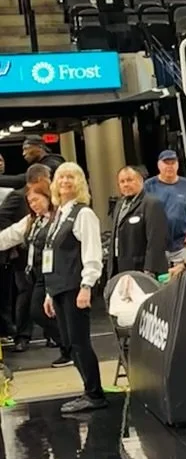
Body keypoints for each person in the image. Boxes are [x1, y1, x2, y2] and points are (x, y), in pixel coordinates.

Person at [39, 163, 106, 415]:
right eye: (60, 177)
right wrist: (49, 292)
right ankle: (89, 389)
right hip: (59, 288)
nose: (65, 181)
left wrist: (87, 285)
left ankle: (95, 394)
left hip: (75, 287)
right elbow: (52, 257)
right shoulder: (59, 214)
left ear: (79, 182)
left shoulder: (83, 214)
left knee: (80, 342)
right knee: (69, 342)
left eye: (71, 177)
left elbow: (92, 253)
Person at [0, 178, 58, 354]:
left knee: (47, 311)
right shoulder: (32, 220)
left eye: (36, 200)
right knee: (37, 311)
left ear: (48, 197)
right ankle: (66, 344)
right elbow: (9, 236)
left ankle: (67, 344)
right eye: (30, 202)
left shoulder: (60, 218)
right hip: (36, 273)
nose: (33, 205)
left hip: (56, 273)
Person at [143, 151, 186, 270]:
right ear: (159, 165)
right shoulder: (148, 186)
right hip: (157, 248)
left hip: (182, 246)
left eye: (173, 163)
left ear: (177, 165)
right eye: (166, 163)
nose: (169, 166)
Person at [109, 166, 169, 278]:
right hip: (121, 267)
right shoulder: (119, 204)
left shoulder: (151, 204)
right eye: (122, 181)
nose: (125, 184)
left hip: (142, 269)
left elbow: (156, 240)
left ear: (140, 181)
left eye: (129, 180)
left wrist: (150, 269)